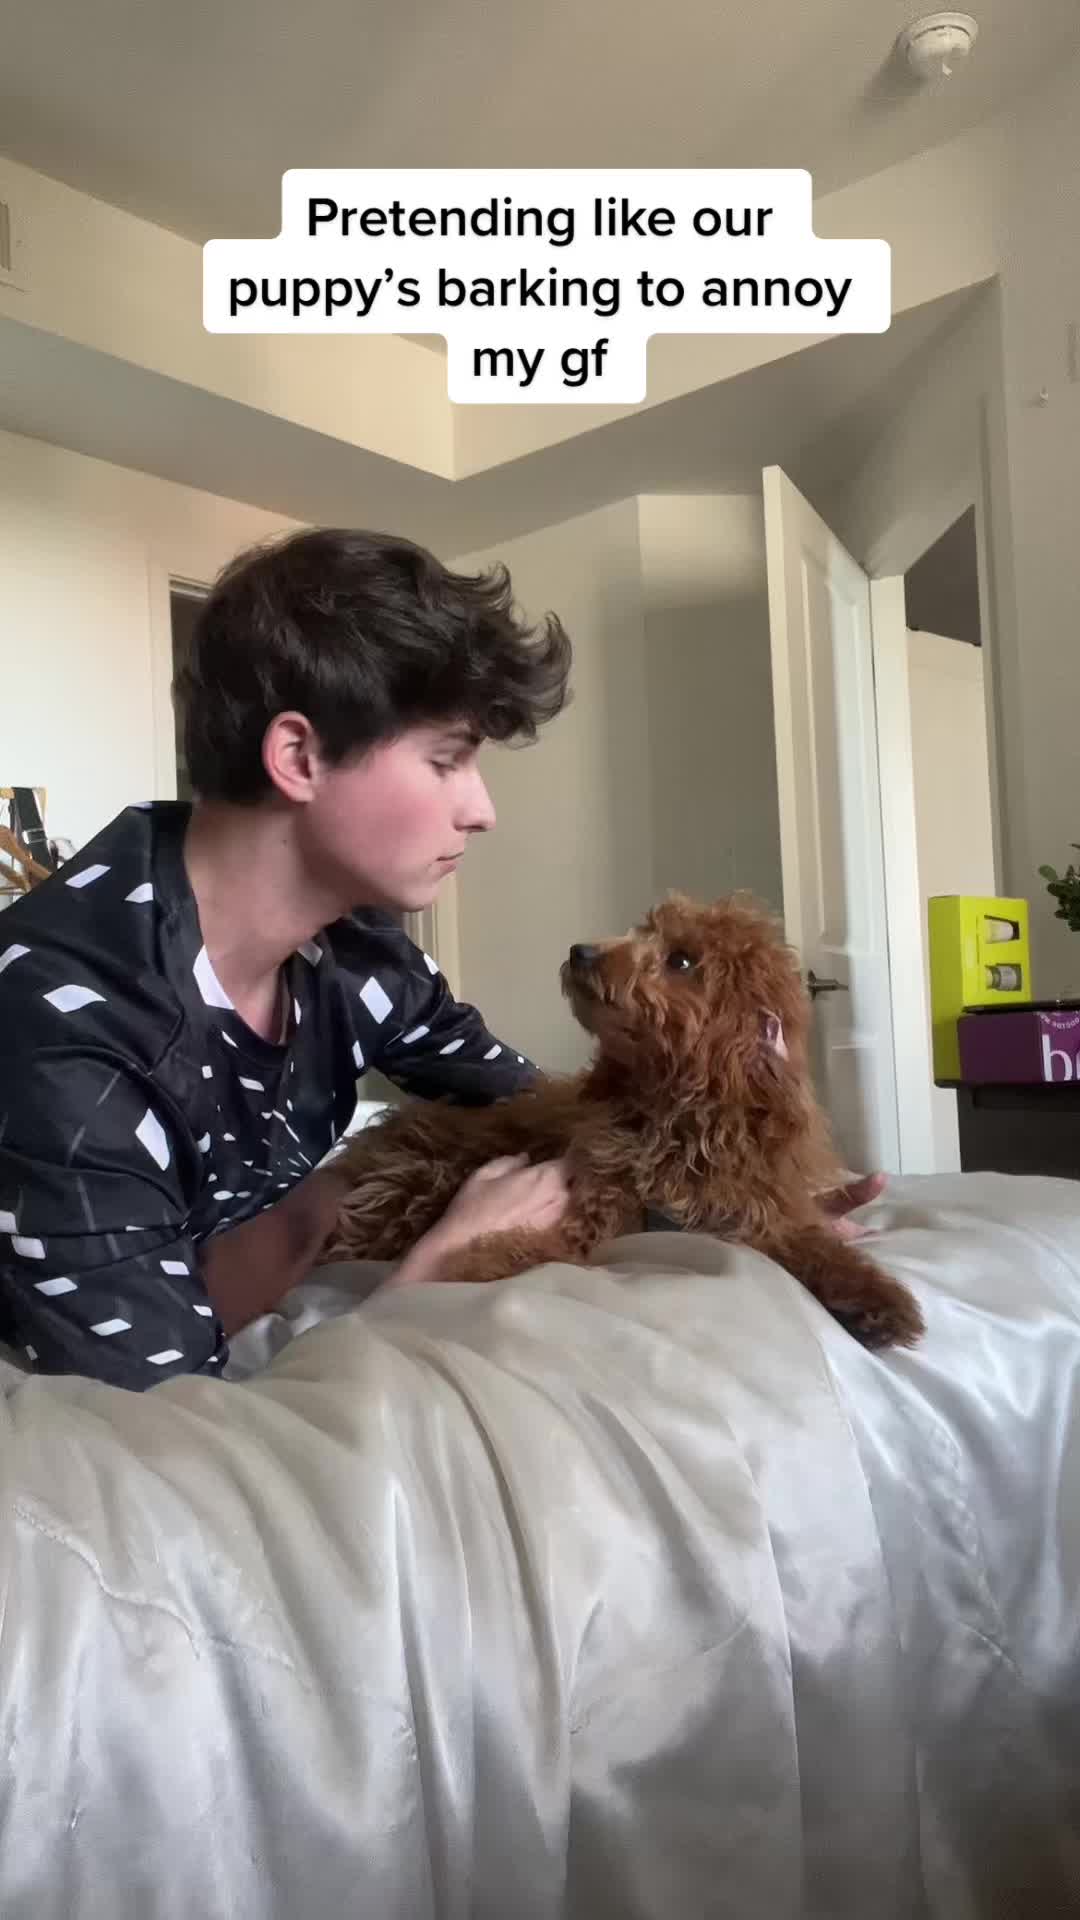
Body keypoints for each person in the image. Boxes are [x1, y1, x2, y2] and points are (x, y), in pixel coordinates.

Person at [0, 526, 881, 1392]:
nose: (482, 809)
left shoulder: (359, 950)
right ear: (298, 756)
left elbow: (533, 1112)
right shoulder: (63, 1026)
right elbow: (157, 1423)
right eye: (447, 761)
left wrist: (741, 1203)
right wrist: (437, 1267)